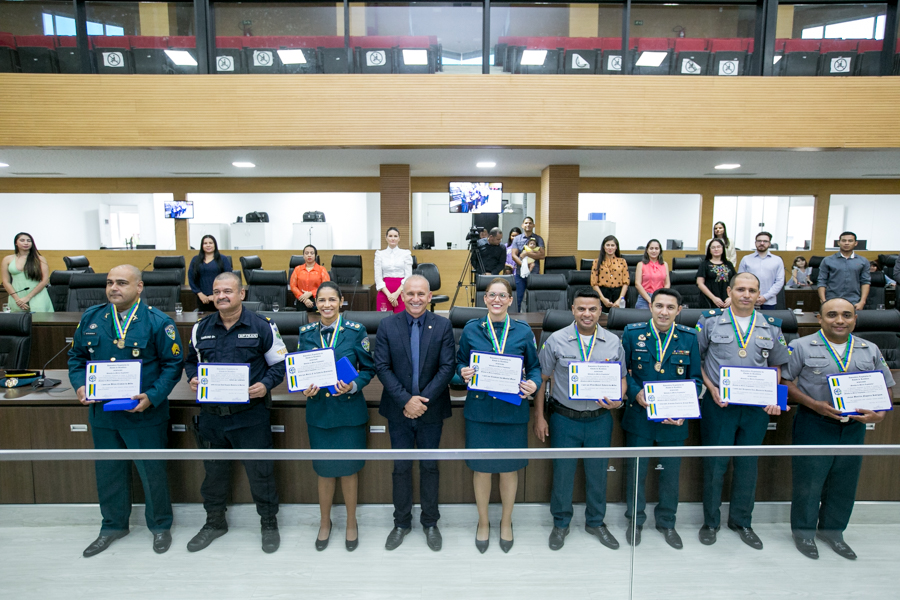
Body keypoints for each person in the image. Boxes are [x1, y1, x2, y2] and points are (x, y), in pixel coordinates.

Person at [67, 265, 184, 557]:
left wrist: (153, 396)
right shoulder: (92, 318)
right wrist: (80, 386)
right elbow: (76, 357)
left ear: (139, 287)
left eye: (121, 282)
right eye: (109, 283)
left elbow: (173, 366)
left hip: (143, 413)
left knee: (151, 472)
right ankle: (112, 526)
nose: (113, 288)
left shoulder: (158, 322)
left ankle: (160, 526)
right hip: (103, 414)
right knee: (109, 472)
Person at [783, 298, 895, 560]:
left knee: (844, 482)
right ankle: (804, 532)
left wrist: (878, 415)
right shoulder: (800, 346)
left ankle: (833, 531)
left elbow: (886, 387)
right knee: (809, 482)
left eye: (847, 315)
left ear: (855, 319)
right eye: (832, 314)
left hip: (854, 427)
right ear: (820, 319)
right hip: (814, 422)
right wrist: (814, 404)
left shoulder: (869, 349)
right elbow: (785, 382)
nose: (840, 320)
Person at [184, 271, 287, 554]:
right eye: (216, 292)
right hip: (212, 416)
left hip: (250, 415)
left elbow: (280, 364)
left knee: (260, 472)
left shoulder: (263, 326)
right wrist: (192, 378)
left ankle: (268, 523)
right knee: (214, 473)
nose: (221, 296)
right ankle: (214, 522)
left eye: (227, 291)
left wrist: (265, 385)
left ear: (242, 294)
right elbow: (191, 361)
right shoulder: (200, 328)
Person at [695, 272, 790, 550]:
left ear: (759, 294)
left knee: (748, 467)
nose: (746, 295)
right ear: (730, 291)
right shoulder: (710, 321)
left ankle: (742, 522)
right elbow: (697, 360)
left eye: (752, 290)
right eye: (741, 289)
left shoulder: (771, 326)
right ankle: (710, 522)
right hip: (719, 406)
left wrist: (774, 396)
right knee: (715, 466)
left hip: (755, 409)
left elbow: (777, 366)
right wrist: (711, 388)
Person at [533, 289, 625, 552]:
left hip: (599, 419)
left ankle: (596, 522)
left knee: (598, 475)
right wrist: (539, 417)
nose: (587, 314)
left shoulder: (613, 341)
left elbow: (621, 378)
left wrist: (620, 398)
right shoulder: (555, 340)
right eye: (582, 309)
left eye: (593, 309)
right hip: (564, 418)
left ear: (601, 312)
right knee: (563, 475)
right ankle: (561, 523)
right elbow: (542, 380)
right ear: (573, 310)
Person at [457, 278, 541, 553]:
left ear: (509, 300)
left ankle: (506, 522)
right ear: (484, 299)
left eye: (502, 295)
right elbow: (458, 363)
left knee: (508, 469)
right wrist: (463, 373)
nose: (496, 299)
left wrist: (534, 384)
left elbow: (535, 367)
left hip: (511, 411)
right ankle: (483, 522)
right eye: (491, 294)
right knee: (481, 469)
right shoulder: (471, 329)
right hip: (480, 410)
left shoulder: (522, 331)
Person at [374, 275, 456, 552]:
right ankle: (401, 523)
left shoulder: (443, 325)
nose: (416, 298)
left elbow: (447, 367)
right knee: (401, 468)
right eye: (410, 293)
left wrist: (421, 402)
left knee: (430, 467)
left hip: (431, 410)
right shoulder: (387, 325)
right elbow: (382, 366)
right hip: (398, 411)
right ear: (402, 295)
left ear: (430, 296)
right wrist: (406, 401)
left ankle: (430, 523)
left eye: (421, 293)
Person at [621, 288, 702, 548]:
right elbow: (624, 373)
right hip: (639, 417)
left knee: (670, 474)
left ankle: (667, 522)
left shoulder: (689, 337)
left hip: (674, 420)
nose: (663, 312)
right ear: (650, 307)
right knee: (637, 472)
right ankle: (635, 521)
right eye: (659, 306)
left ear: (679, 310)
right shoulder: (632, 334)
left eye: (670, 307)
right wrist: (635, 393)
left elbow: (696, 379)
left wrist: (684, 410)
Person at [298, 282, 375, 551]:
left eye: (332, 300)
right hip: (319, 412)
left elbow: (368, 368)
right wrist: (304, 388)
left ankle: (352, 522)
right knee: (324, 471)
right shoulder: (306, 333)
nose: (327, 305)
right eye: (321, 300)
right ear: (315, 303)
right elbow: (300, 372)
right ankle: (324, 522)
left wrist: (354, 385)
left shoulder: (356, 332)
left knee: (349, 470)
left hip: (348, 411)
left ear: (341, 301)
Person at [816, 232, 870, 310]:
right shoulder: (827, 260)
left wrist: (862, 302)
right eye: (844, 241)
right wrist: (824, 301)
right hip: (831, 300)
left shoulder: (863, 261)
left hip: (854, 301)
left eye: (850, 241)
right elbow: (821, 281)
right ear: (839, 243)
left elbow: (865, 282)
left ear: (856, 243)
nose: (846, 243)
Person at [1, 232, 53, 312]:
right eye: (22, 240)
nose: (26, 243)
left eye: (29, 241)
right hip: (16, 296)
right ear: (16, 243)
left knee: (39, 321)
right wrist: (17, 299)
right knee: (17, 322)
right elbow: (6, 281)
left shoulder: (40, 259)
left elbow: (45, 280)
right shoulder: (7, 259)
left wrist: (27, 297)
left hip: (37, 295)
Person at [737, 231, 784, 310]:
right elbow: (740, 280)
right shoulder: (746, 259)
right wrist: (751, 296)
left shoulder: (777, 260)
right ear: (755, 243)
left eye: (765, 241)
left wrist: (765, 297)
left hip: (769, 301)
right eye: (759, 241)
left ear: (769, 243)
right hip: (748, 300)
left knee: (767, 322)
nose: (762, 243)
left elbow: (779, 281)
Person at [188, 235, 233, 310]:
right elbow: (191, 278)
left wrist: (216, 295)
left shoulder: (223, 259)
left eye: (210, 243)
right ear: (202, 246)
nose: (208, 245)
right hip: (202, 298)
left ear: (215, 245)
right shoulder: (195, 260)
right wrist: (199, 294)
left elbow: (228, 278)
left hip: (220, 297)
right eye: (205, 243)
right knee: (204, 319)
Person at [509, 217, 545, 311]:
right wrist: (524, 266)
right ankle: (516, 319)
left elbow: (542, 255)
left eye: (530, 223)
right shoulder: (517, 239)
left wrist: (527, 253)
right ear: (522, 225)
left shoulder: (538, 238)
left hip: (534, 273)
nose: (528, 225)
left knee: (533, 298)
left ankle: (533, 320)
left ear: (533, 225)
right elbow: (514, 255)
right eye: (526, 223)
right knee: (518, 298)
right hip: (520, 273)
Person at [374, 227, 413, 313]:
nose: (393, 238)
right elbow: (378, 277)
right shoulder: (379, 254)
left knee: (401, 320)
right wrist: (389, 296)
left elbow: (408, 276)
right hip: (384, 291)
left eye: (395, 236)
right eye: (390, 236)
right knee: (384, 320)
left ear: (399, 238)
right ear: (386, 237)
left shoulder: (405, 254)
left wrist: (396, 294)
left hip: (402, 290)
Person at [590, 235, 629, 312]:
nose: (610, 248)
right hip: (603, 293)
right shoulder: (596, 262)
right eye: (607, 245)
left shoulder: (622, 261)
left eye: (612, 245)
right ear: (603, 247)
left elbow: (626, 282)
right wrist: (602, 299)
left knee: (619, 319)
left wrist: (620, 299)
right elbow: (594, 283)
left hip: (619, 294)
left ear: (616, 247)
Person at [696, 238, 737, 309]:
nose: (716, 249)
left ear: (723, 249)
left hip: (728, 301)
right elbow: (700, 283)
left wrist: (731, 297)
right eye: (713, 247)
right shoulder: (704, 264)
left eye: (718, 247)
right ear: (709, 250)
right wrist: (713, 298)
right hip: (709, 299)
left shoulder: (729, 264)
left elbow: (736, 282)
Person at [290, 244, 330, 312]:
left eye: (312, 253)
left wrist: (310, 293)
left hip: (317, 300)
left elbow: (326, 286)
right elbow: (293, 286)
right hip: (301, 301)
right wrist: (304, 298)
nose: (309, 255)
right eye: (306, 253)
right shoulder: (297, 269)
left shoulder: (322, 270)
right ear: (303, 256)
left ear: (315, 256)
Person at [634, 239, 670, 310]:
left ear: (660, 250)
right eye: (651, 248)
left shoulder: (664, 264)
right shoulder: (641, 264)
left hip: (660, 298)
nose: (654, 251)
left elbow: (667, 284)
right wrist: (649, 299)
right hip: (644, 299)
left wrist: (660, 297)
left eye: (656, 248)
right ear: (647, 250)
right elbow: (637, 284)